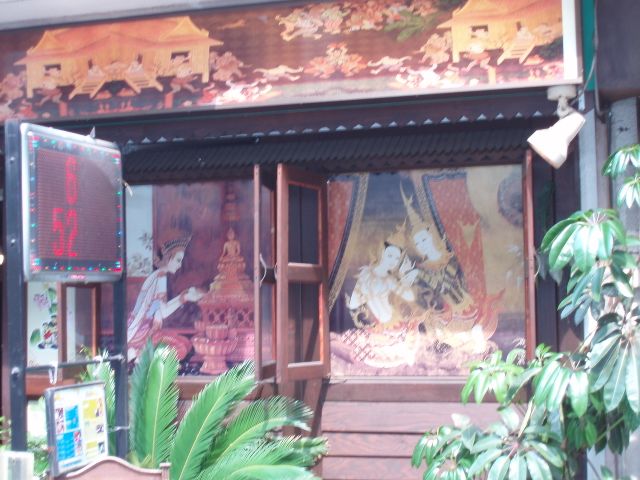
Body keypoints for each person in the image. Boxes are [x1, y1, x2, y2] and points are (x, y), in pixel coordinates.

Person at [127, 233, 204, 360]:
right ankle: (139, 353)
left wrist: (184, 296)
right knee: (181, 348)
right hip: (141, 331)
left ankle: (139, 353)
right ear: (168, 259)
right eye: (178, 260)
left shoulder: (159, 275)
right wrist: (185, 298)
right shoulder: (160, 276)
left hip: (148, 329)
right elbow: (164, 311)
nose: (180, 265)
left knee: (185, 343)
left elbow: (160, 309)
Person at [348, 226, 415, 327]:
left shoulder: (389, 280)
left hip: (391, 320)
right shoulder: (366, 274)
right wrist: (369, 296)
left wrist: (403, 275)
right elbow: (352, 304)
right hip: (374, 323)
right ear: (382, 253)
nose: (392, 261)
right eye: (390, 255)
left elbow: (410, 297)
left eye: (397, 258)